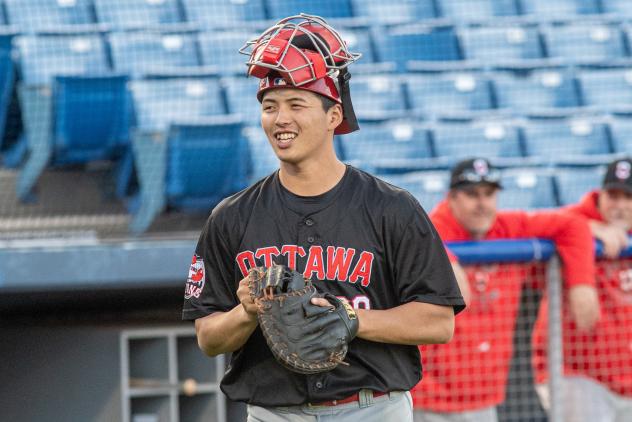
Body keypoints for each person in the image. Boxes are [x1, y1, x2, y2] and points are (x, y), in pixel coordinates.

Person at [182, 14, 465, 422]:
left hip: (372, 409)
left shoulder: (392, 207)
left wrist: (351, 319)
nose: (280, 119)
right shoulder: (231, 217)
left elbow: (439, 322)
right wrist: (245, 311)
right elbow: (208, 339)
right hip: (274, 413)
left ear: (334, 116)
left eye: (296, 104)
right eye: (269, 106)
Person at [411, 157, 601, 422]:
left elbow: (572, 224)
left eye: (489, 194)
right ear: (452, 197)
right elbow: (404, 236)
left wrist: (582, 284)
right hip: (429, 400)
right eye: (471, 194)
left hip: (484, 397)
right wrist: (441, 255)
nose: (482, 203)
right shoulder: (425, 231)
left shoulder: (506, 226)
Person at [532, 157, 632, 422]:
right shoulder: (572, 219)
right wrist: (584, 229)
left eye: (628, 197)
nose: (619, 206)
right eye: (613, 195)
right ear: (601, 195)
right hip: (577, 373)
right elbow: (528, 226)